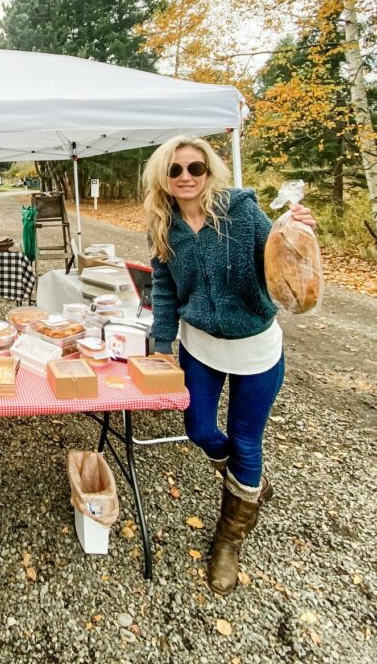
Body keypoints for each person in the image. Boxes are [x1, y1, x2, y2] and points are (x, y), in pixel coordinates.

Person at [143, 135, 316, 596]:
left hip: (255, 347)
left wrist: (295, 229)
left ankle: (229, 539)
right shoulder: (163, 225)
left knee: (245, 439)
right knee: (199, 428)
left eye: (194, 168)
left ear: (208, 171)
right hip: (198, 345)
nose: (184, 177)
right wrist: (161, 342)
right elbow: (162, 286)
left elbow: (280, 255)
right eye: (174, 170)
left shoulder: (240, 212)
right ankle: (247, 484)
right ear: (162, 176)